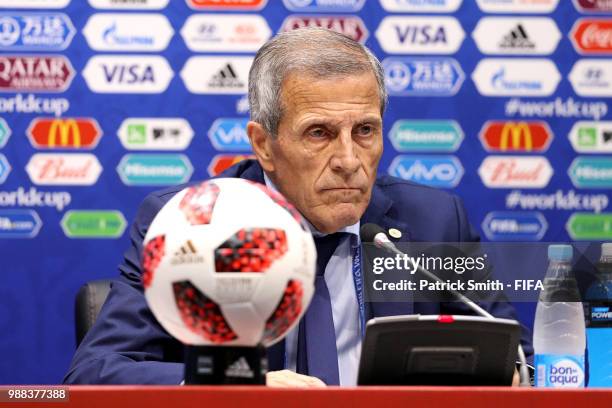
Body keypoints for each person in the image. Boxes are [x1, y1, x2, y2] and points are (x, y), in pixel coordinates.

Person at [64, 28, 532, 387]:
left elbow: (516, 357)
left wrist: (509, 374)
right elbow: (94, 370)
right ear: (263, 145)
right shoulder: (192, 223)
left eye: (365, 131)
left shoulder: (433, 220)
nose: (349, 161)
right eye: (319, 133)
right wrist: (238, 383)